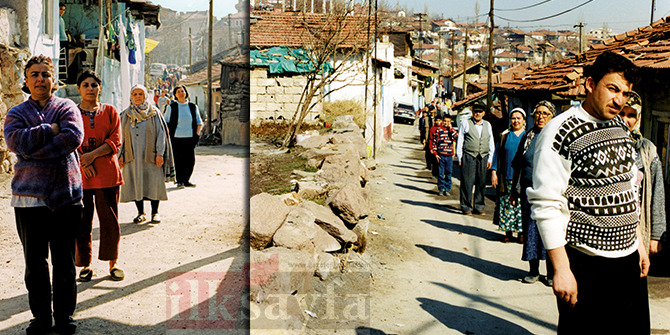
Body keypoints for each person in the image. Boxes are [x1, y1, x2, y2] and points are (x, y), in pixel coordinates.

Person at [528, 51, 650, 334]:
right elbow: (546, 204)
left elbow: (628, 186)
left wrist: (639, 244)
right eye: (613, 89)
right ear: (590, 84)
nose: (619, 100)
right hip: (587, 264)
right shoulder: (560, 131)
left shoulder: (620, 125)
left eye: (625, 93)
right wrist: (561, 269)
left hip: (627, 261)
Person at [3, 55, 83, 335]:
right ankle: (41, 318)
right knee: (34, 264)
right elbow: (14, 141)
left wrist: (32, 152)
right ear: (26, 80)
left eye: (45, 74)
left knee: (64, 262)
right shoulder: (16, 113)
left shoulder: (67, 107)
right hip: (28, 200)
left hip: (66, 197)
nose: (40, 79)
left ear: (54, 80)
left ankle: (64, 317)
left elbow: (73, 137)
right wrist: (48, 130)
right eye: (34, 74)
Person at [74, 70, 125, 283]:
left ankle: (113, 263)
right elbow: (68, 139)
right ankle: (86, 265)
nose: (90, 89)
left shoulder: (110, 111)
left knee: (109, 220)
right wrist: (82, 163)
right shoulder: (71, 113)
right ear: (79, 89)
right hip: (80, 176)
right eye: (85, 85)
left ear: (100, 88)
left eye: (94, 85)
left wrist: (91, 156)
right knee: (82, 223)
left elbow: (115, 140)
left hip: (107, 175)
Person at [510, 101, 555, 284]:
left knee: (550, 231)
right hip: (529, 192)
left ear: (552, 116)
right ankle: (533, 270)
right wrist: (514, 190)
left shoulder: (556, 136)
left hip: (550, 194)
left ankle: (552, 273)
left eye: (545, 113)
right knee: (530, 231)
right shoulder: (527, 136)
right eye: (537, 113)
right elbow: (518, 166)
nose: (541, 116)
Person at [619, 91, 667, 256]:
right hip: (608, 229)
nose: (625, 119)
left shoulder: (648, 150)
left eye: (631, 115)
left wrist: (656, 236)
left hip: (638, 228)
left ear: (638, 117)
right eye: (621, 113)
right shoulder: (601, 144)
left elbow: (657, 194)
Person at [119, 85, 175, 224]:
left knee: (153, 183)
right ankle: (140, 212)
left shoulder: (154, 113)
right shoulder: (125, 115)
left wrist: (160, 153)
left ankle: (155, 212)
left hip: (151, 156)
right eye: (135, 94)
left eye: (140, 94)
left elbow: (161, 134)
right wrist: (120, 155)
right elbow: (119, 136)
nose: (138, 97)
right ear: (131, 97)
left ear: (145, 96)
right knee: (136, 183)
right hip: (132, 157)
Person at [491, 107, 526, 243]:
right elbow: (497, 155)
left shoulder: (527, 136)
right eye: (513, 118)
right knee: (507, 205)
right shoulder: (504, 135)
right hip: (506, 176)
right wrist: (494, 172)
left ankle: (522, 233)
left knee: (521, 206)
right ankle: (508, 232)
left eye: (519, 118)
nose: (516, 121)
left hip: (522, 178)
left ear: (523, 120)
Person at [456, 102, 495, 215]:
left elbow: (490, 142)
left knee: (481, 182)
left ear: (484, 113)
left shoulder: (487, 125)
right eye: (475, 112)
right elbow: (460, 141)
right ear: (472, 112)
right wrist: (460, 157)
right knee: (467, 182)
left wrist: (490, 158)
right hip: (469, 156)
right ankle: (466, 206)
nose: (477, 114)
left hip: (483, 156)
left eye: (480, 112)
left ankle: (478, 206)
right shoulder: (466, 123)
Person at [164, 85, 203, 188]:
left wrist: (197, 135)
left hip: (190, 138)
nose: (181, 93)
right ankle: (179, 180)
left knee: (190, 161)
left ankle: (187, 180)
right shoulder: (172, 107)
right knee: (178, 160)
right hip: (176, 139)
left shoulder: (192, 107)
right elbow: (165, 122)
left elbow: (199, 122)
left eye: (182, 91)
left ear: (186, 93)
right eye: (178, 92)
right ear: (175, 95)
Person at [429, 115, 458, 196]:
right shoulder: (438, 130)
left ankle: (447, 188)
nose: (446, 123)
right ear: (442, 121)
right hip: (441, 155)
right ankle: (441, 188)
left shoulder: (452, 131)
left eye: (448, 121)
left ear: (450, 122)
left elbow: (457, 137)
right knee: (441, 173)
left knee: (448, 173)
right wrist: (435, 154)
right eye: (445, 121)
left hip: (449, 156)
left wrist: (451, 128)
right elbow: (435, 143)